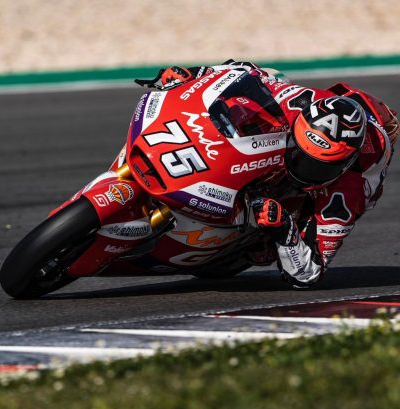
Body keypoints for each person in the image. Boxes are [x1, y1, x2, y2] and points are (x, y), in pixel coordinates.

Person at [146, 61, 399, 288]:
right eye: (300, 154)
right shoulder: (296, 101)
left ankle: (257, 239)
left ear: (342, 166)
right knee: (271, 78)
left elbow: (309, 274)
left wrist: (284, 228)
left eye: (317, 166)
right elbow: (244, 70)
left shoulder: (348, 192)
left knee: (270, 244)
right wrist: (194, 74)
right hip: (309, 115)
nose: (303, 168)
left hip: (341, 183)